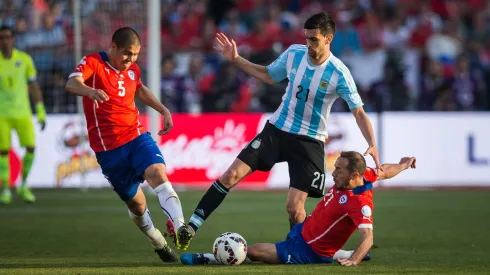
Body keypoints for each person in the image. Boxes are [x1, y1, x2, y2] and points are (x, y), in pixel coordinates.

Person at [177, 12, 382, 249]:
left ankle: (310, 250)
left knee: (295, 209)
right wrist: (236, 59)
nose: (308, 44)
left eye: (314, 40)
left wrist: (373, 143)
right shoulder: (295, 54)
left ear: (329, 38)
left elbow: (358, 111)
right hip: (277, 129)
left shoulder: (339, 73)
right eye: (306, 38)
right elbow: (267, 75)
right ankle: (190, 227)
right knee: (230, 175)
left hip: (309, 141)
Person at [65, 27, 185, 262]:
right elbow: (71, 84)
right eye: (127, 53)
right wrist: (89, 91)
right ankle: (158, 242)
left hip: (136, 136)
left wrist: (163, 109)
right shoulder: (94, 62)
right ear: (113, 47)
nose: (131, 60)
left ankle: (181, 228)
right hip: (109, 152)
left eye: (136, 55)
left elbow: (139, 88)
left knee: (158, 172)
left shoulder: (133, 70)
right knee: (137, 206)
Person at [180, 152, 417, 266]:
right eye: (335, 168)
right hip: (304, 229)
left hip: (308, 250)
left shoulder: (360, 203)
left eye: (339, 171)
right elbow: (384, 170)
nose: (333, 173)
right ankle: (341, 253)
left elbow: (368, 236)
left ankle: (208, 258)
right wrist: (405, 165)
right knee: (295, 209)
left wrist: (354, 260)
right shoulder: (363, 174)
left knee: (253, 252)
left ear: (353, 176)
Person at [0, 25, 46, 204]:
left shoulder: (25, 60)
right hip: (2, 115)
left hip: (23, 113)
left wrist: (40, 110)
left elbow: (34, 86)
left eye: (7, 37)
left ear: (13, 39)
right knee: (3, 152)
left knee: (31, 148)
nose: (5, 40)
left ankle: (24, 185)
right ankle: (5, 189)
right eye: (1, 37)